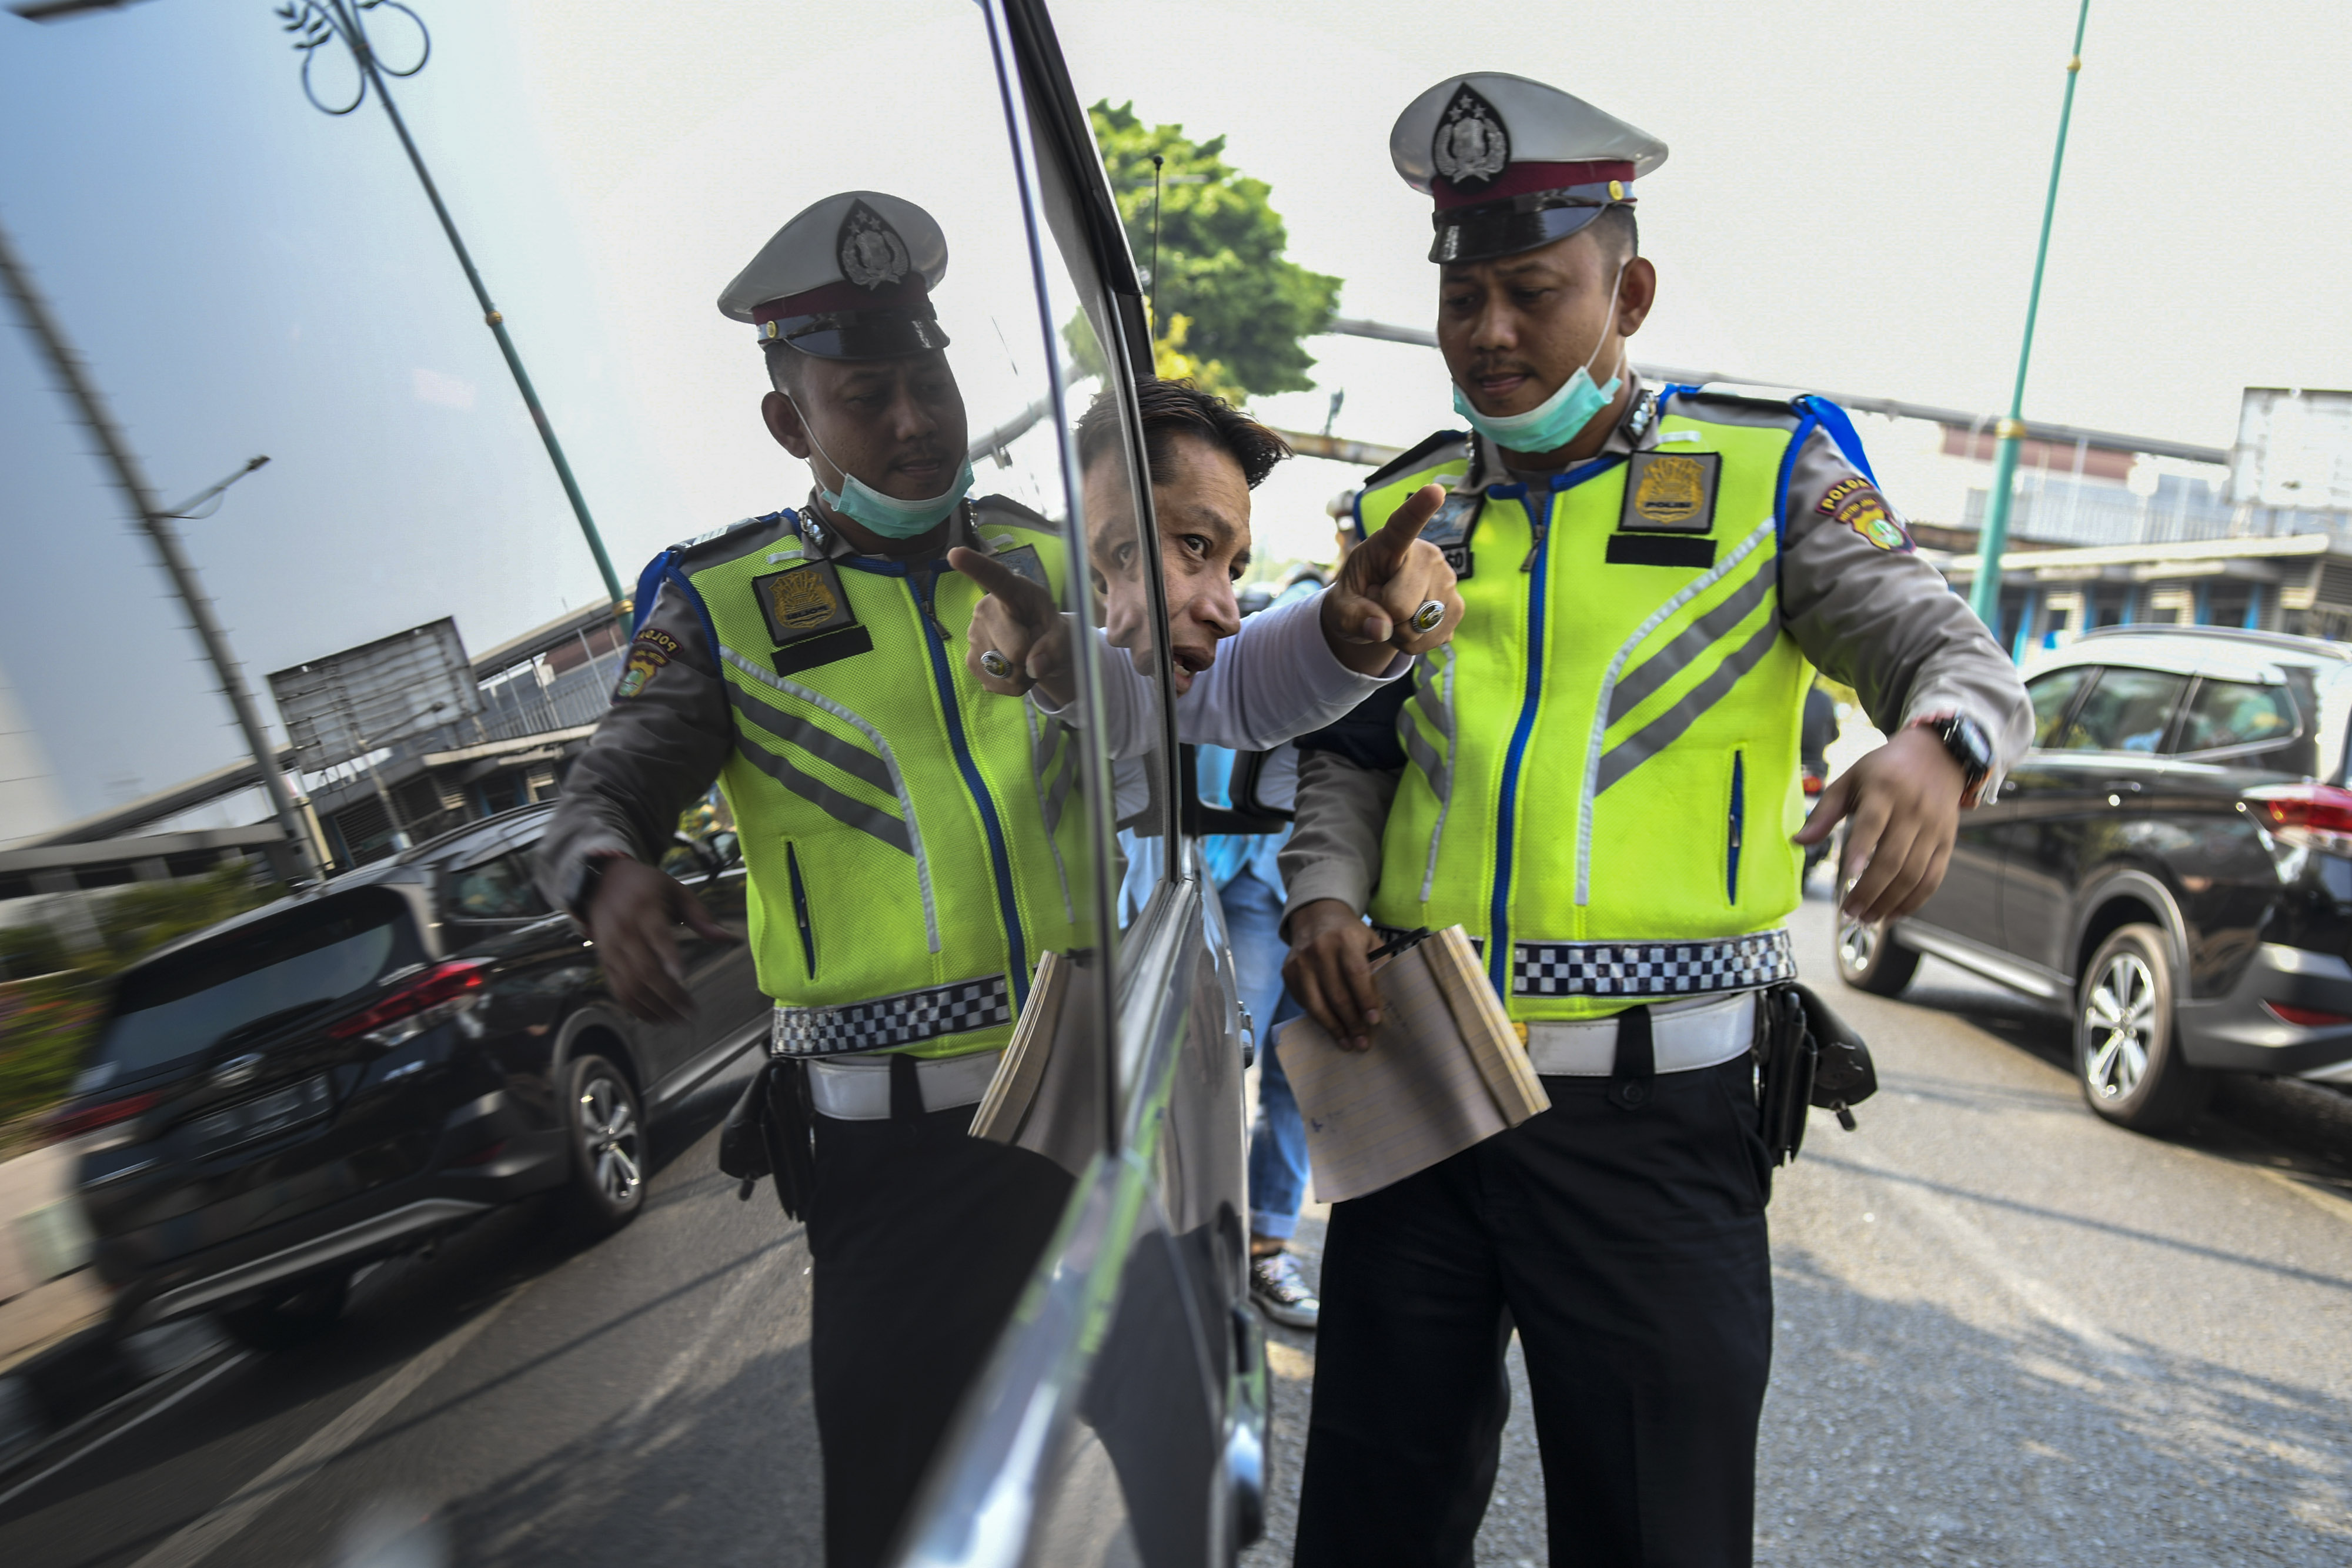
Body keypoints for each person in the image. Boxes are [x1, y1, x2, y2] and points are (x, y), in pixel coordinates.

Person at [534, 192, 1455, 1568]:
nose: (913, 419)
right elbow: (609, 784)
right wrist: (607, 872)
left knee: (1187, 1499)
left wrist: (1339, 636)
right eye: (864, 396)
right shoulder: (716, 605)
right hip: (890, 1166)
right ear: (791, 422)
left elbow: (1219, 692)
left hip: (1106, 1120)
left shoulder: (1056, 549)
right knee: (914, 1525)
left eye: (928, 379)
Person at [1277, 76, 2033, 1567]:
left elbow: (1951, 655)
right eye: (1462, 295)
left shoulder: (1766, 470)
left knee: (1652, 1530)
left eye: (1532, 292)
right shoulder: (1413, 501)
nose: (1489, 332)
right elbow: (1352, 754)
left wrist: (1938, 749)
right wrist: (1319, 896)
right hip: (1420, 1089)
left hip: (1649, 1123)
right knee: (1370, 1511)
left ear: (1624, 288)